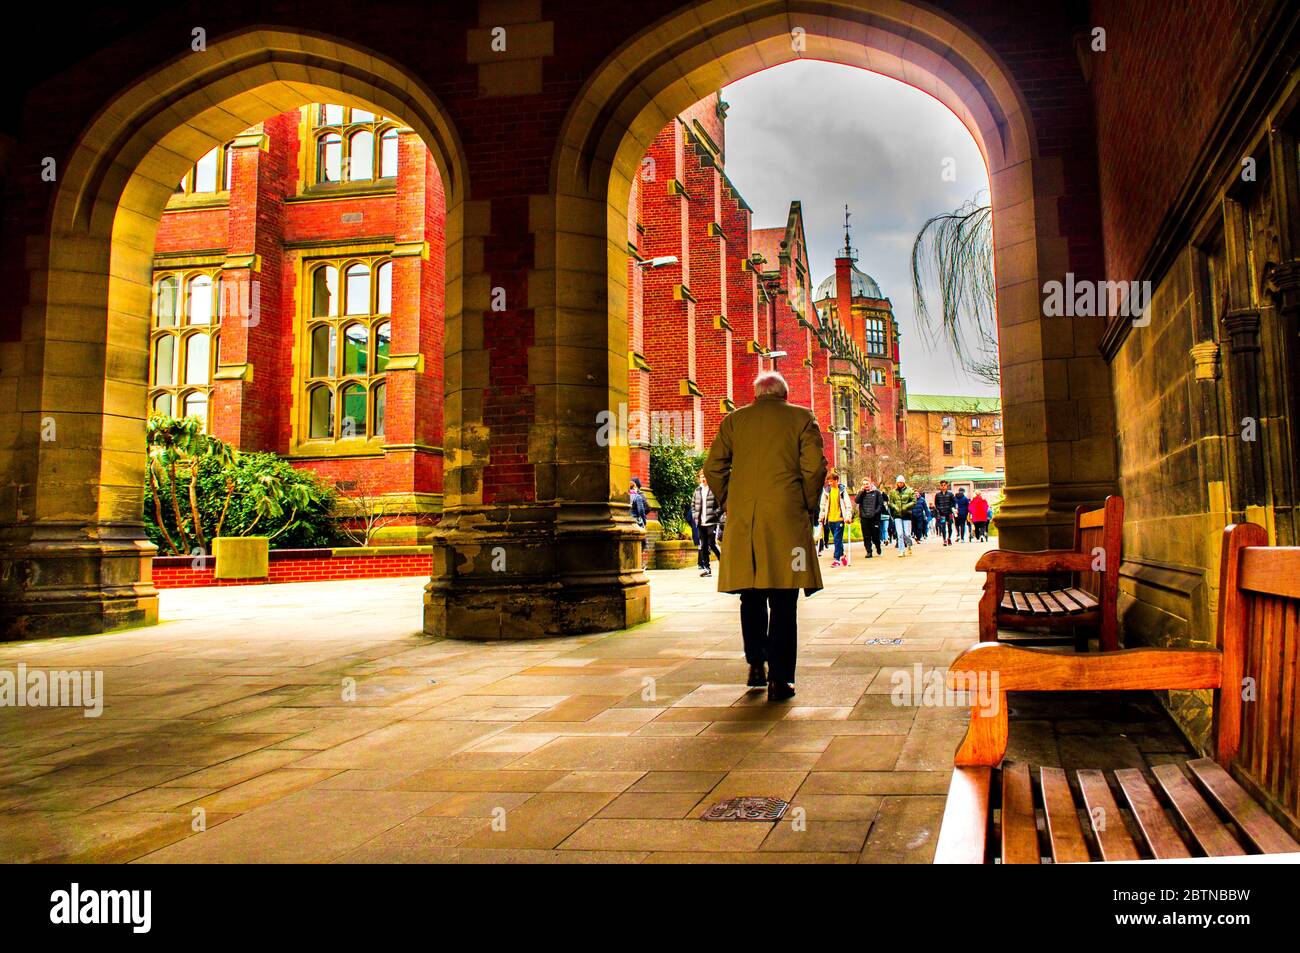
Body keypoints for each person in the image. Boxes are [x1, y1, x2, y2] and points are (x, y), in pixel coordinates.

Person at [704, 371, 826, 702]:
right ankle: (780, 679)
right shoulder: (802, 417)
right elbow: (814, 467)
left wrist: (730, 499)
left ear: (757, 394)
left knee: (752, 596)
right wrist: (807, 504)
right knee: (784, 600)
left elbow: (713, 467)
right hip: (786, 519)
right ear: (784, 394)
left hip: (745, 521)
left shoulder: (734, 421)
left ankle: (756, 664)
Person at [818, 469, 853, 567]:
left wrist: (848, 516)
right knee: (837, 539)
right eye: (828, 481)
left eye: (831, 481)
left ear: (836, 480)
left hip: (840, 519)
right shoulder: (827, 491)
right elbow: (823, 505)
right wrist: (821, 517)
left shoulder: (842, 491)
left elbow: (848, 504)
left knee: (837, 539)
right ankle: (842, 555)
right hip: (830, 519)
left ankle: (837, 559)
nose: (830, 483)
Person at [692, 470, 722, 576]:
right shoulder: (697, 491)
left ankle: (723, 563)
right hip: (701, 523)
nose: (703, 478)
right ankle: (707, 569)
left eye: (705, 476)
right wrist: (695, 517)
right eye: (701, 476)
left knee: (712, 544)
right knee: (703, 545)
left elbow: (721, 505)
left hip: (712, 522)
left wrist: (715, 514)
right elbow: (693, 506)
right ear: (699, 478)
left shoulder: (713, 489)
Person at [887, 474, 917, 557]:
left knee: (907, 533)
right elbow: (890, 502)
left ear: (904, 482)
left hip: (906, 514)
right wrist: (894, 507)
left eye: (901, 482)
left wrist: (906, 506)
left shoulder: (910, 491)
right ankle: (901, 550)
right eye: (898, 482)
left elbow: (914, 501)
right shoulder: (893, 492)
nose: (899, 484)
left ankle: (909, 546)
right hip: (897, 515)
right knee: (899, 533)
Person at [855, 478, 885, 558]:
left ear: (870, 484)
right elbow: (857, 501)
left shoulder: (877, 493)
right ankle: (869, 551)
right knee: (866, 536)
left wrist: (876, 512)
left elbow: (880, 504)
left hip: (874, 518)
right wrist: (861, 492)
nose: (866, 485)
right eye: (864, 484)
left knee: (875, 536)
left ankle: (878, 546)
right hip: (864, 518)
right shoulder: (861, 493)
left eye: (867, 484)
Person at [932, 480, 956, 546]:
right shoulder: (937, 495)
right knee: (943, 527)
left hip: (949, 513)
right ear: (940, 486)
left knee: (950, 526)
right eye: (942, 485)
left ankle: (949, 538)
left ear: (947, 486)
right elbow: (936, 504)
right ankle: (944, 540)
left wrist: (952, 509)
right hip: (942, 513)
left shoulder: (950, 494)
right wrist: (938, 510)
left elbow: (954, 503)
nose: (943, 487)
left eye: (944, 485)